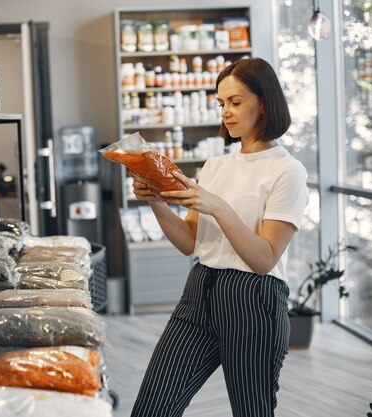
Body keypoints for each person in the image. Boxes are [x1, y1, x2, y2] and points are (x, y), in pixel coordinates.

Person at [129, 57, 308, 417]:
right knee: (152, 408)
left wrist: (217, 206)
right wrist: (157, 203)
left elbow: (264, 259)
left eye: (236, 102)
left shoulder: (287, 170)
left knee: (251, 411)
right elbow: (190, 243)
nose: (226, 112)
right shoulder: (216, 165)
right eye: (221, 103)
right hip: (199, 291)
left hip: (253, 301)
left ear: (265, 102)